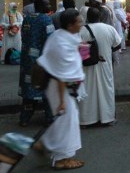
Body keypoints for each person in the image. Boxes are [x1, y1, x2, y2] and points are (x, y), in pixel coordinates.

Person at [36, 9, 86, 170]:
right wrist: (62, 101)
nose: (81, 23)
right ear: (70, 25)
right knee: (67, 120)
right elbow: (61, 75)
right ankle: (61, 159)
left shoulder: (62, 35)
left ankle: (46, 144)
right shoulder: (61, 43)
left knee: (66, 120)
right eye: (79, 21)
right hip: (59, 88)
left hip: (63, 86)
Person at [78, 8, 121, 127]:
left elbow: (79, 49)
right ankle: (108, 118)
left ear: (87, 17)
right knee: (106, 90)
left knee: (88, 90)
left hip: (87, 65)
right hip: (105, 65)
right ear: (100, 17)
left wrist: (92, 55)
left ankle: (86, 120)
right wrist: (105, 50)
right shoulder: (109, 29)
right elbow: (117, 45)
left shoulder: (82, 30)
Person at [18, 0, 55, 126]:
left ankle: (24, 118)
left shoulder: (27, 18)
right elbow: (51, 41)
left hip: (27, 61)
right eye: (47, 4)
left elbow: (23, 36)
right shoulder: (46, 19)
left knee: (29, 90)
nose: (49, 6)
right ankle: (49, 117)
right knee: (46, 88)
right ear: (41, 6)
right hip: (42, 60)